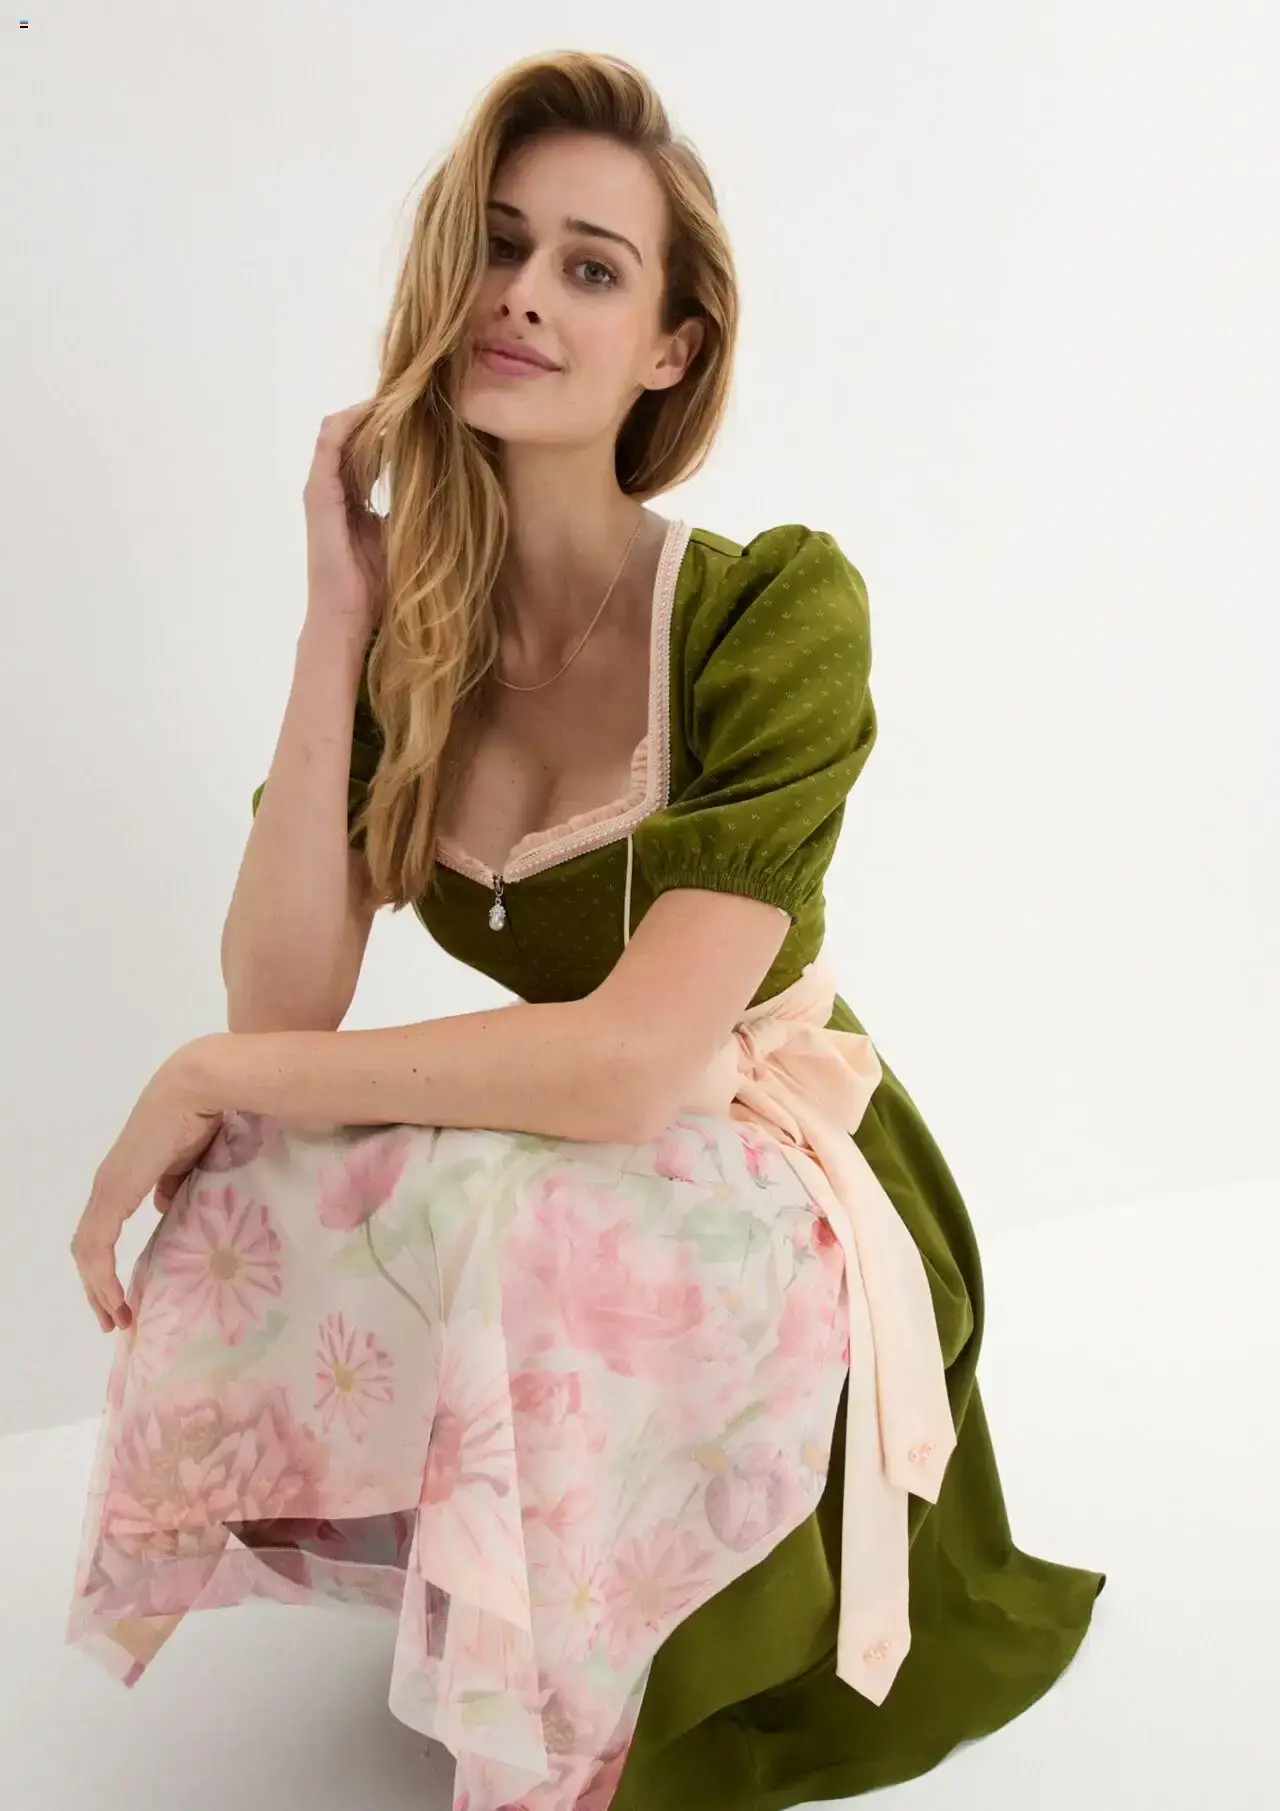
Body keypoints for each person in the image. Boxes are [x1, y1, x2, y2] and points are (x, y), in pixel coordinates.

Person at [66, 47, 1106, 1811]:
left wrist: (204, 1067)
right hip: (595, 1146)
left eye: (591, 267)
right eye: (498, 244)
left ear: (670, 349)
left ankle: (641, 1633)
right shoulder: (420, 648)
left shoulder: (770, 610)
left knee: (498, 1196)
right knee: (277, 1150)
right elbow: (283, 997)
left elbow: (633, 1065)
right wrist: (337, 616)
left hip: (769, 1165)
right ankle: (510, 1573)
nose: (525, 295)